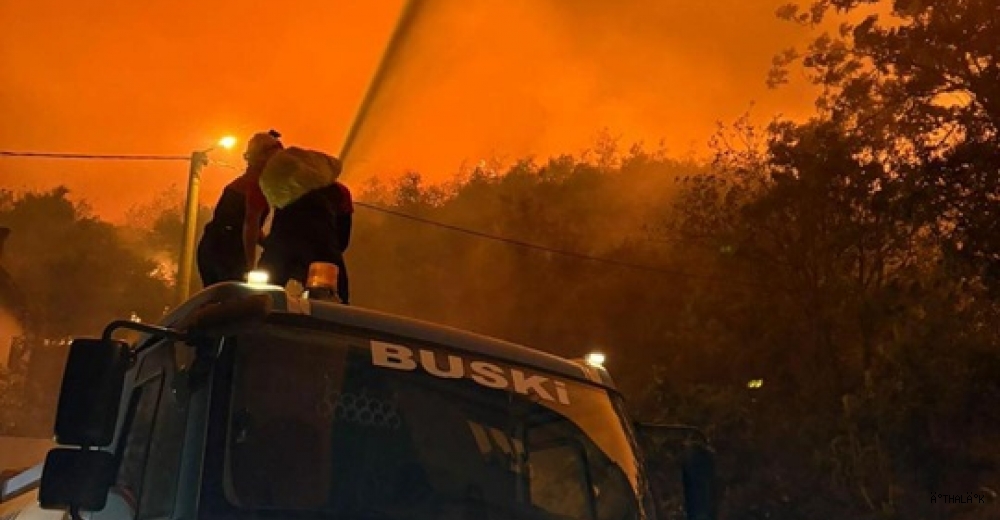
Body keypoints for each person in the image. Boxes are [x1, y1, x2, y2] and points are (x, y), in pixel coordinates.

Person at [256, 142, 353, 304]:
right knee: (336, 299)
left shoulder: (287, 193)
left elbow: (275, 231)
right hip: (322, 254)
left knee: (261, 295)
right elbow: (343, 236)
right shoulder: (340, 192)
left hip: (281, 252)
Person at [196, 130, 282, 286]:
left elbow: (246, 223)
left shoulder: (244, 184)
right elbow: (250, 226)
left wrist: (268, 244)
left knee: (219, 298)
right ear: (263, 157)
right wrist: (250, 267)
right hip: (226, 252)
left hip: (212, 247)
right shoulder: (255, 186)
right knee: (235, 297)